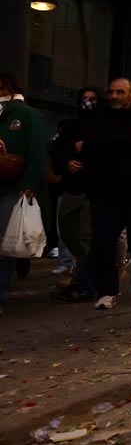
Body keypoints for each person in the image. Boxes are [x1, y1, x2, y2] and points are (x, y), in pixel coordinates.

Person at [81, 78, 131, 311]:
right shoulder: (98, 118)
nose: (114, 96)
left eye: (120, 92)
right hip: (105, 192)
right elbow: (94, 148)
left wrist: (116, 145)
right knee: (103, 241)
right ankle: (107, 290)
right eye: (112, 92)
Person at [0, 73, 48, 312]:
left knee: (5, 241)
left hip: (14, 187)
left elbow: (37, 153)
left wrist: (29, 184)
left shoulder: (28, 116)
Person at [50, 87, 101, 302]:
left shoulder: (103, 126)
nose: (88, 103)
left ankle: (85, 282)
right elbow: (57, 151)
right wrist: (67, 162)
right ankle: (85, 267)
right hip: (71, 187)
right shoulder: (70, 127)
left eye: (93, 99)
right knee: (67, 231)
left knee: (85, 234)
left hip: (92, 189)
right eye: (85, 99)